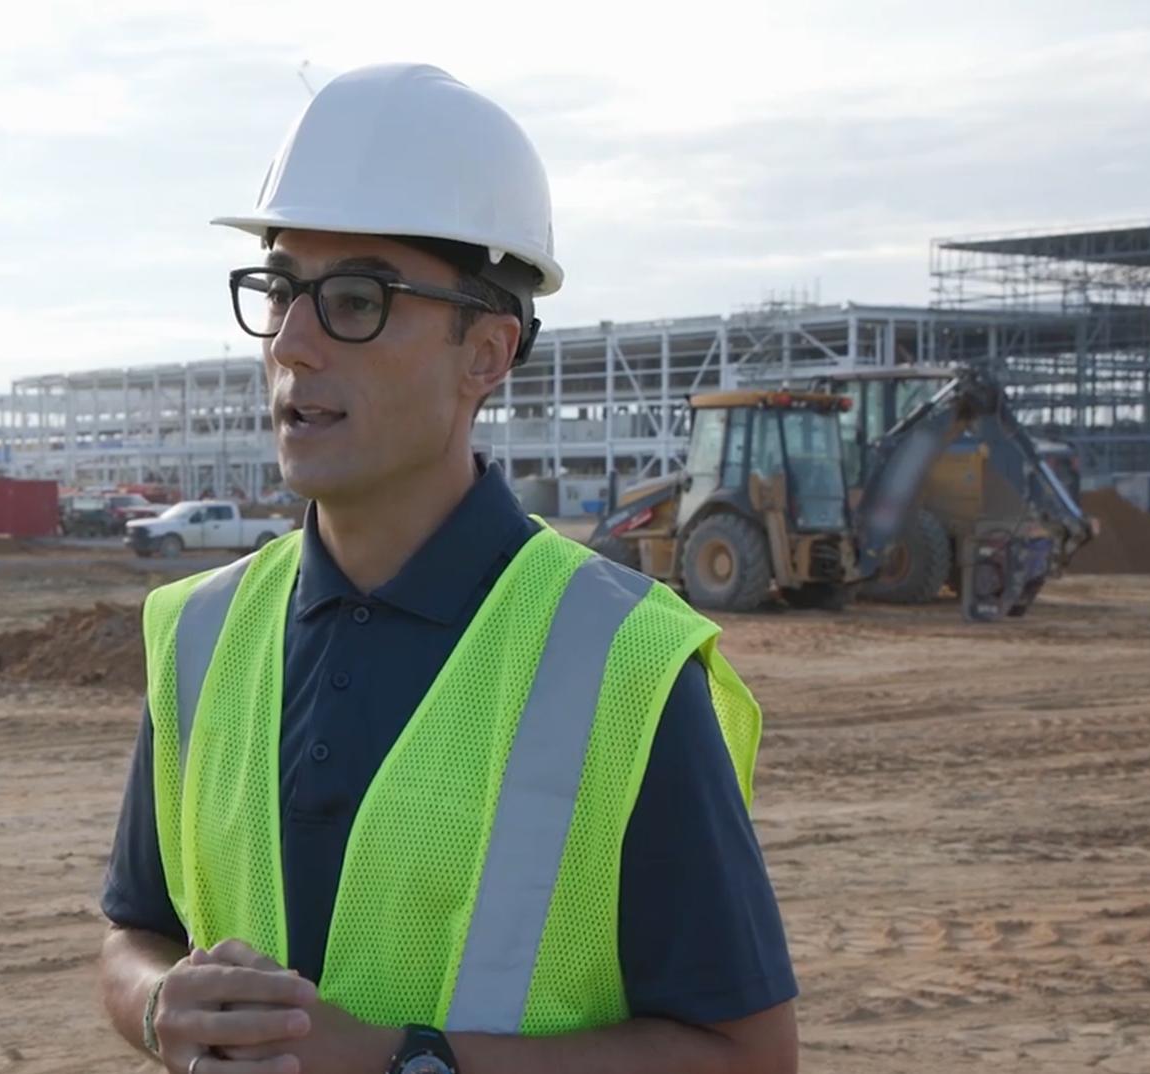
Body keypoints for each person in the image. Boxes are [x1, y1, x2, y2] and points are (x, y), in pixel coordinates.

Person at [97, 63, 797, 1074]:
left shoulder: (623, 664)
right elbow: (131, 937)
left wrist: (400, 1062)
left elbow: (748, 1058)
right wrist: (165, 1005)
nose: (294, 340)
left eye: (355, 298)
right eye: (282, 289)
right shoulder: (199, 635)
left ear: (487, 354)